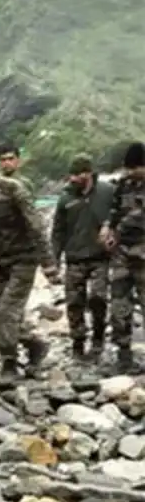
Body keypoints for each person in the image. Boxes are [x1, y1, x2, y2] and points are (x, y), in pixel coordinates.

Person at [0, 150, 59, 379]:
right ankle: (34, 344)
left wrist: (48, 264)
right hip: (1, 259)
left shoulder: (13, 189)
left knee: (9, 308)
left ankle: (9, 363)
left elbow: (36, 226)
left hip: (25, 258)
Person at [50, 154, 114, 362]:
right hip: (74, 258)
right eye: (72, 174)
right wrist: (54, 260)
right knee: (74, 303)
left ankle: (98, 338)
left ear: (88, 173)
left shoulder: (107, 191)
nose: (73, 179)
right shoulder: (65, 198)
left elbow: (118, 214)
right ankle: (77, 343)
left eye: (78, 174)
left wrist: (110, 229)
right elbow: (58, 231)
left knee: (98, 298)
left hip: (100, 257)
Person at [104, 142, 145, 372]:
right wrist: (109, 230)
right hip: (122, 254)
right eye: (128, 168)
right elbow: (114, 210)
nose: (130, 173)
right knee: (119, 303)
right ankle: (123, 355)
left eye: (135, 168)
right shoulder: (123, 185)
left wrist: (118, 230)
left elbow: (137, 216)